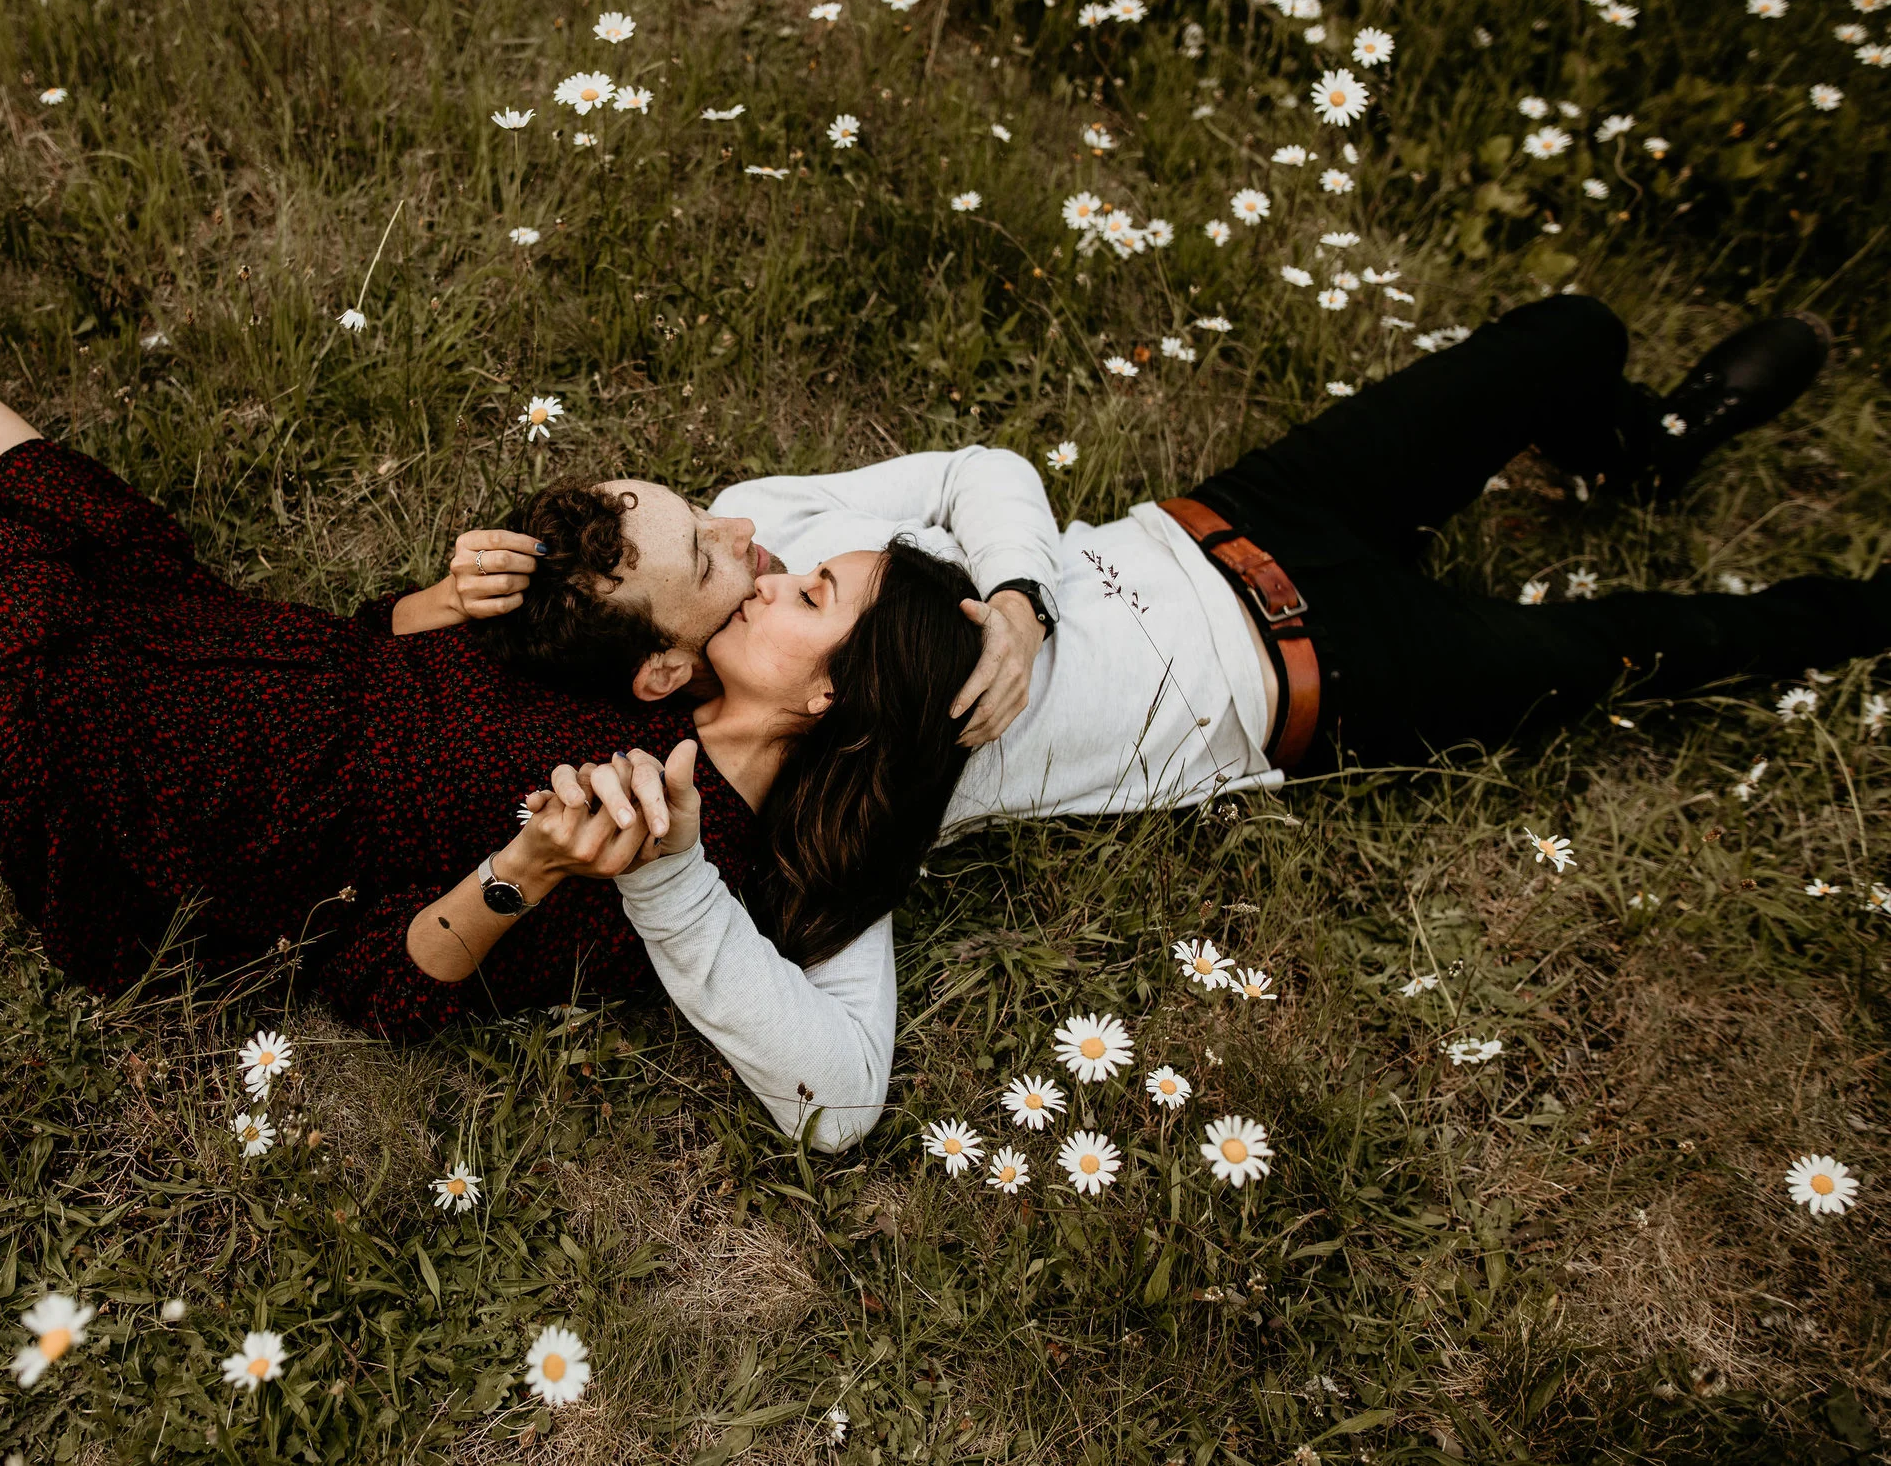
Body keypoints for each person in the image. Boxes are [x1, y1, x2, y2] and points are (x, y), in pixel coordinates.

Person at [397, 296, 1882, 1148]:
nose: (753, 538)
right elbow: (834, 1085)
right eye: (721, 572)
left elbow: (978, 471)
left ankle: (1645, 450)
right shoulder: (824, 788)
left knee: (1573, 331)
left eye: (722, 523)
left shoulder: (778, 533)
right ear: (669, 668)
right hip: (1341, 670)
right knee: (1646, 645)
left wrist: (1027, 596)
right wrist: (667, 885)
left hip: (1238, 519)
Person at [0, 367, 981, 1156]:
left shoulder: (665, 829)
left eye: (808, 592)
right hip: (237, 650)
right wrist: (457, 593)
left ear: (842, 701)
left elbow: (381, 978)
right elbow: (402, 662)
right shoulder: (663, 678)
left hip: (167, 776)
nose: (772, 553)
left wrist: (532, 871)